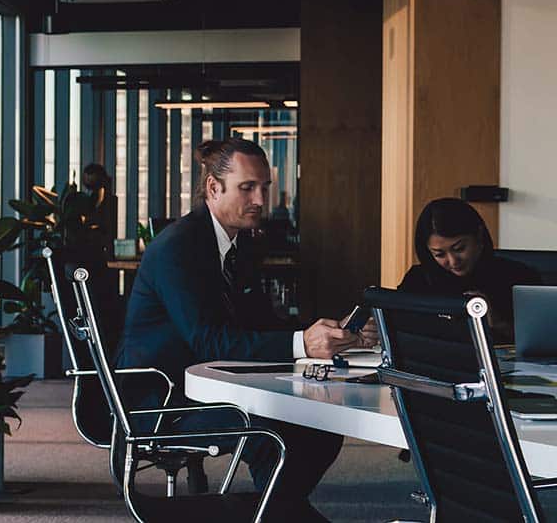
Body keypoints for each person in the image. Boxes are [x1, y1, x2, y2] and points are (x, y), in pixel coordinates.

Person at [116, 137, 376, 521]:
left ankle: (274, 512)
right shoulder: (178, 247)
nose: (260, 199)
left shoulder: (241, 245)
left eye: (265, 188)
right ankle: (284, 513)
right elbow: (206, 340)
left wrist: (330, 333)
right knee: (273, 434)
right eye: (247, 187)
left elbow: (262, 323)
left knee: (321, 426)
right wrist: (301, 343)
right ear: (213, 188)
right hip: (163, 399)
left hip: (214, 385)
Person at [399, 197, 541, 344]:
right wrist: (377, 331)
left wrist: (498, 324)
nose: (453, 261)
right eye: (439, 254)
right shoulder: (418, 280)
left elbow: (543, 341)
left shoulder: (520, 277)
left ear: (479, 236)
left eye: (459, 249)